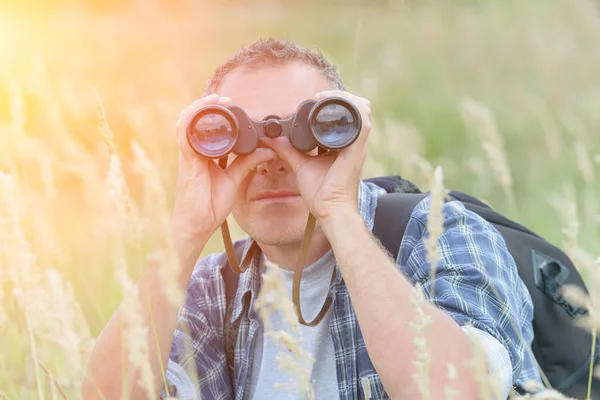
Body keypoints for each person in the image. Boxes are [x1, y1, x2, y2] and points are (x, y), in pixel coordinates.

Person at [82, 38, 541, 400]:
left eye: (304, 131)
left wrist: (337, 210)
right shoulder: (210, 288)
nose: (273, 160)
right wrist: (186, 234)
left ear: (345, 134)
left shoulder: (441, 233)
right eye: (240, 134)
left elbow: (455, 393)